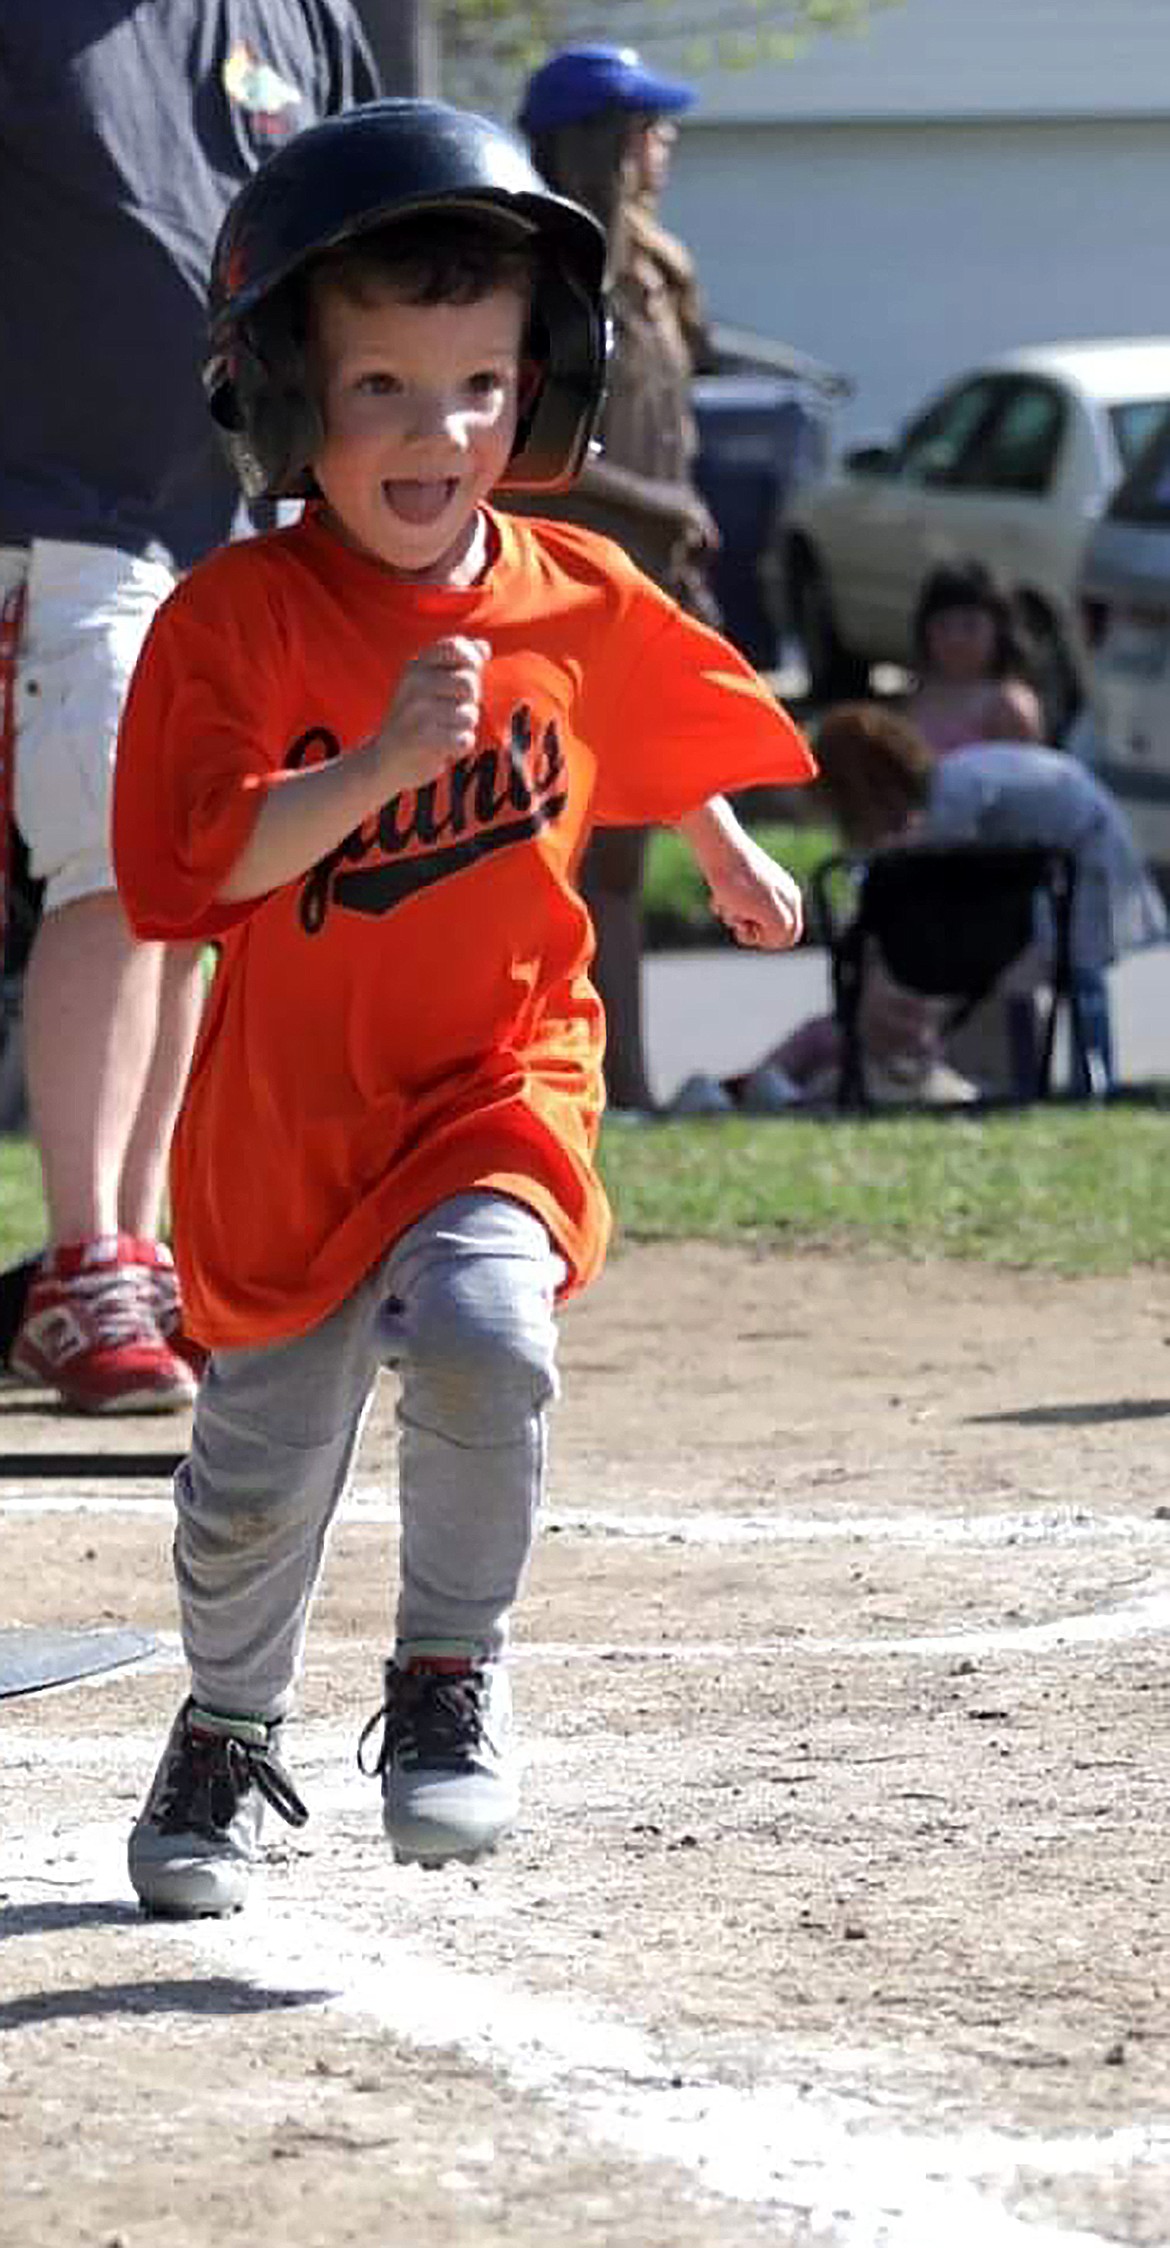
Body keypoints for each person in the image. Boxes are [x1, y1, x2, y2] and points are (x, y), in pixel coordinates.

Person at [111, 98, 814, 1916]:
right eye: (382, 392)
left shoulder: (575, 585)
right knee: (258, 1475)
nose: (440, 435)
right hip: (291, 1124)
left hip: (498, 1077)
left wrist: (724, 845)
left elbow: (643, 713)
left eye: (480, 387)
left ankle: (446, 1673)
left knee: (494, 1339)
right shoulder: (237, 627)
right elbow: (191, 875)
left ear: (540, 388)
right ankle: (227, 1718)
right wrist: (377, 765)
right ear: (287, 397)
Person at [0, 3, 379, 1415]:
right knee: (111, 869)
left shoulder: (303, 15)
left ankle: (143, 1252)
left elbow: (363, 223)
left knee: (198, 877)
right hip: (60, 515)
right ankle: (83, 1256)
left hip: (226, 521)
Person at [510, 43, 721, 1114]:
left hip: (650, 593)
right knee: (555, 848)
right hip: (559, 592)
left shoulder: (654, 264)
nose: (664, 144)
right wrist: (658, 503)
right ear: (599, 140)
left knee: (632, 848)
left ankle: (623, 1079)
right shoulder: (536, 265)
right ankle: (564, 1077)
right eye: (646, 126)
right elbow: (525, 440)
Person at [737, 703, 1165, 1107]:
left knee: (1081, 969)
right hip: (1074, 838)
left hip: (1086, 847)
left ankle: (1090, 1079)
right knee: (1067, 973)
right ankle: (1057, 1079)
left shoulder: (956, 794)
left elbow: (933, 863)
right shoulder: (957, 781)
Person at [905, 559, 1044, 756]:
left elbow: (1021, 776)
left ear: (999, 631)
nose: (955, 639)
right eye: (943, 626)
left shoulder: (1007, 704)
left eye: (970, 626)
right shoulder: (922, 697)